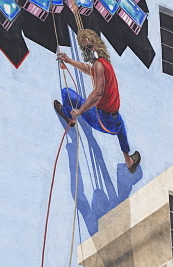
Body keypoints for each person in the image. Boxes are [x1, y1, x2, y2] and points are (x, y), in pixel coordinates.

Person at [54, 28, 141, 173]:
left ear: (96, 45)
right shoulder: (104, 64)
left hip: (101, 120)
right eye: (84, 48)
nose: (87, 50)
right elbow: (90, 70)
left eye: (89, 46)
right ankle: (129, 161)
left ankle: (70, 116)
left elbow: (98, 93)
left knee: (67, 93)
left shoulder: (99, 65)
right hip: (114, 121)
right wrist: (69, 61)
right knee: (121, 127)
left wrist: (80, 111)